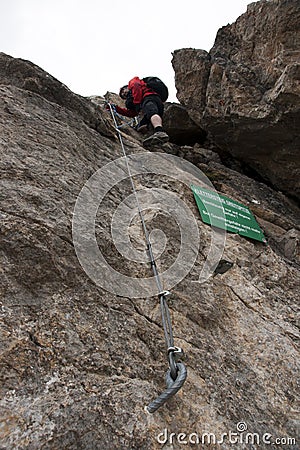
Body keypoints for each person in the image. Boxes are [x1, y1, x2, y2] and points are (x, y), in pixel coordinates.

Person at [114, 76, 169, 148]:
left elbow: (136, 86)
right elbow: (132, 113)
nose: (123, 93)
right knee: (141, 125)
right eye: (123, 96)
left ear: (127, 87)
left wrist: (137, 103)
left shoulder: (132, 82)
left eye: (123, 91)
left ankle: (160, 132)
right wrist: (117, 109)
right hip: (157, 101)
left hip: (149, 98)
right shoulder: (134, 99)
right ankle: (153, 140)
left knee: (152, 113)